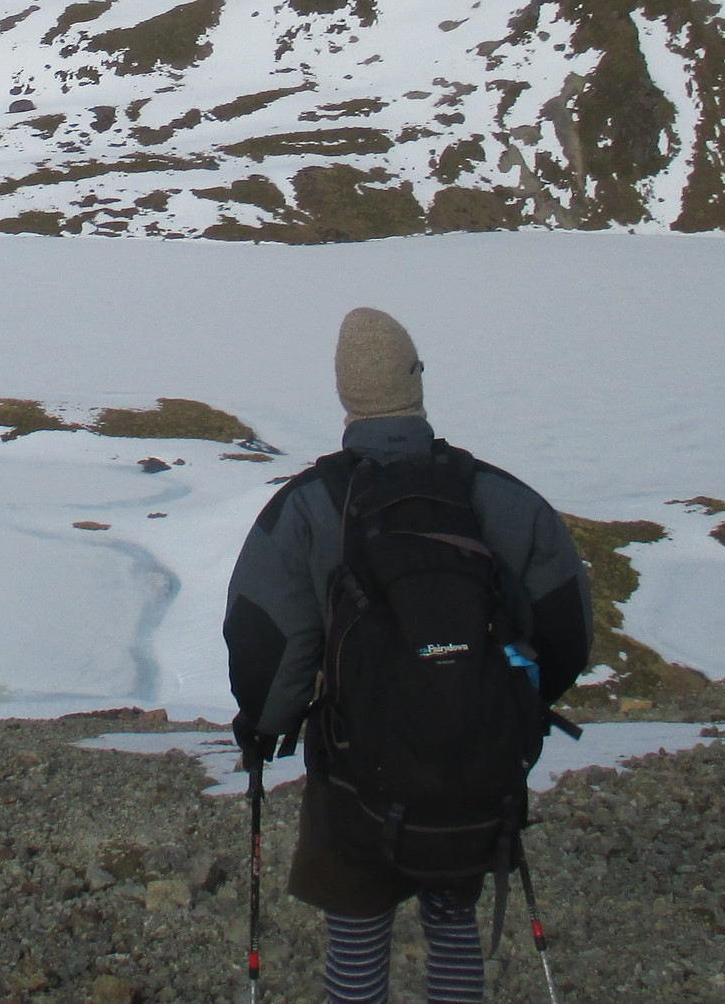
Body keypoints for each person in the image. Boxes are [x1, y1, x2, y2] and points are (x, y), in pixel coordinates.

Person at [223, 306, 592, 1004]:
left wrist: (266, 723)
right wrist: (517, 704)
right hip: (473, 762)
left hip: (354, 769)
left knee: (358, 934)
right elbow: (564, 619)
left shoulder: (310, 505)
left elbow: (271, 635)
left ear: (345, 392)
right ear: (417, 379)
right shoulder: (494, 495)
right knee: (454, 929)